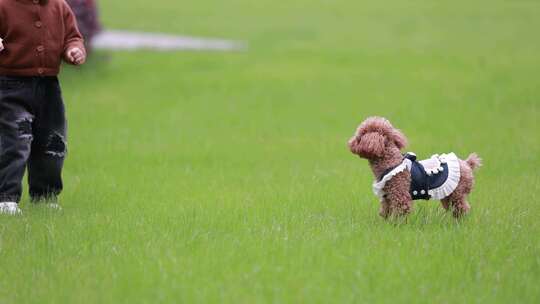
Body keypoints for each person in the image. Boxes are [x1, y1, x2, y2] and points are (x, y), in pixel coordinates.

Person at [0, 0, 86, 215]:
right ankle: (6, 198)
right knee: (14, 141)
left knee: (52, 141)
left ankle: (45, 196)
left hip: (49, 87)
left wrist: (74, 50)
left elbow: (72, 37)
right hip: (10, 86)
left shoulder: (59, 6)